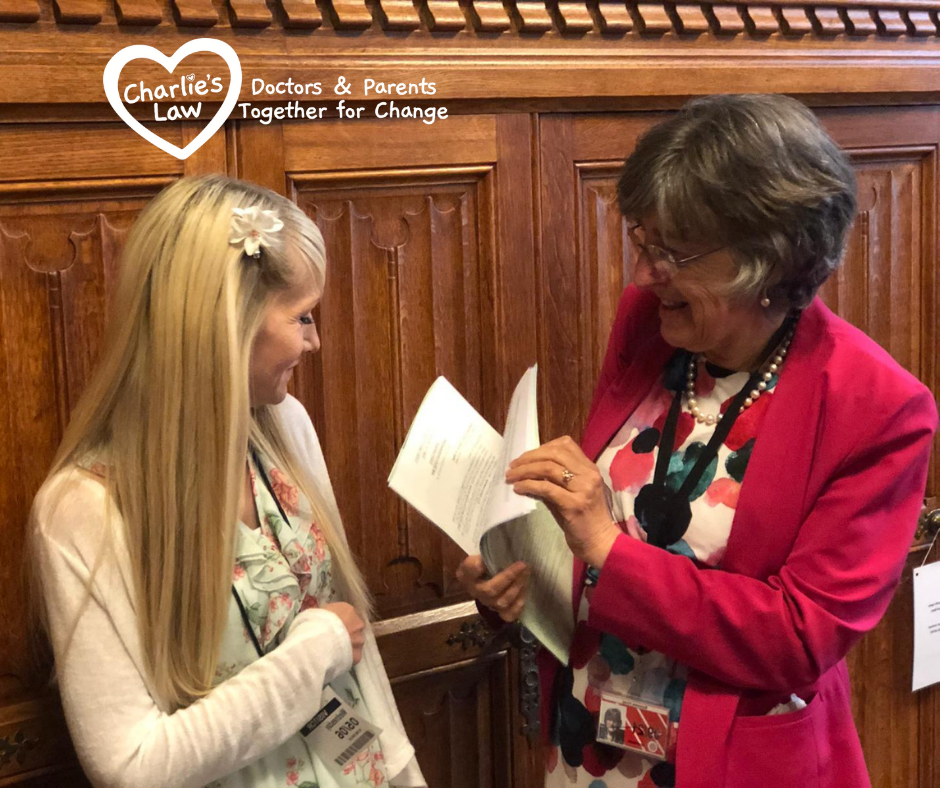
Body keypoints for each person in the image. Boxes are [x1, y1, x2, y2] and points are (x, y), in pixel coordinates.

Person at [457, 94, 937, 788]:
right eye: (643, 242)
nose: (643, 275)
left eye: (673, 252)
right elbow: (614, 530)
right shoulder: (653, 323)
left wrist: (608, 550)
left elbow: (799, 637)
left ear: (771, 259)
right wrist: (517, 581)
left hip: (732, 763)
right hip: (589, 747)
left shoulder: (880, 408)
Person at [31, 175, 426, 788]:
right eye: (302, 316)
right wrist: (313, 652)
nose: (315, 341)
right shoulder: (82, 509)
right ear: (227, 323)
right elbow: (131, 765)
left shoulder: (286, 428)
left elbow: (356, 654)